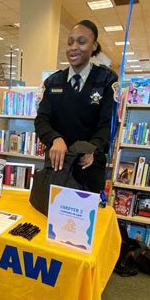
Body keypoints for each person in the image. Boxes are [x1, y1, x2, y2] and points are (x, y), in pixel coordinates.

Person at [35, 20, 118, 193]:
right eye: (70, 42)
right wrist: (54, 139)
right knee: (51, 216)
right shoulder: (53, 82)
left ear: (94, 45)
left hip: (89, 167)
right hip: (57, 167)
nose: (74, 47)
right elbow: (42, 120)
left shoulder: (106, 79)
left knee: (85, 218)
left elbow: (107, 124)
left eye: (81, 41)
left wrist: (92, 148)